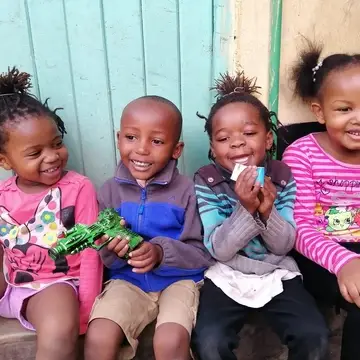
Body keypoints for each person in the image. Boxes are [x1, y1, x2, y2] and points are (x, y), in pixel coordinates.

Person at [191, 72, 329, 360]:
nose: (238, 144)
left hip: (277, 271)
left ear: (268, 139)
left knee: (313, 335)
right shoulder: (207, 180)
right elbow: (219, 248)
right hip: (226, 274)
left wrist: (267, 209)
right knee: (209, 341)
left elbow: (283, 245)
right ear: (213, 149)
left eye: (249, 133)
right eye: (223, 138)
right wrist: (246, 207)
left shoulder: (282, 176)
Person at [84, 95, 213, 360]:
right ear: (119, 138)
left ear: (176, 149)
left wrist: (160, 253)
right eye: (131, 137)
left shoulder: (189, 191)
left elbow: (200, 254)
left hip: (178, 281)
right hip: (127, 281)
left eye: (156, 141)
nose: (142, 149)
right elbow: (104, 253)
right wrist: (113, 250)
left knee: (170, 341)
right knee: (99, 335)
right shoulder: (109, 191)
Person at [0, 67, 102, 360]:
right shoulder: (2, 197)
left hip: (59, 283)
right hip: (14, 285)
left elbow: (92, 250)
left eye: (56, 144)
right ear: (5, 160)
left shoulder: (77, 188)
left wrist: (86, 310)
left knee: (58, 323)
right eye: (35, 153)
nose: (52, 156)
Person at [282, 42, 360, 360]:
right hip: (318, 255)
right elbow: (298, 227)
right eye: (345, 109)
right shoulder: (302, 154)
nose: (358, 119)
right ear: (320, 111)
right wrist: (345, 263)